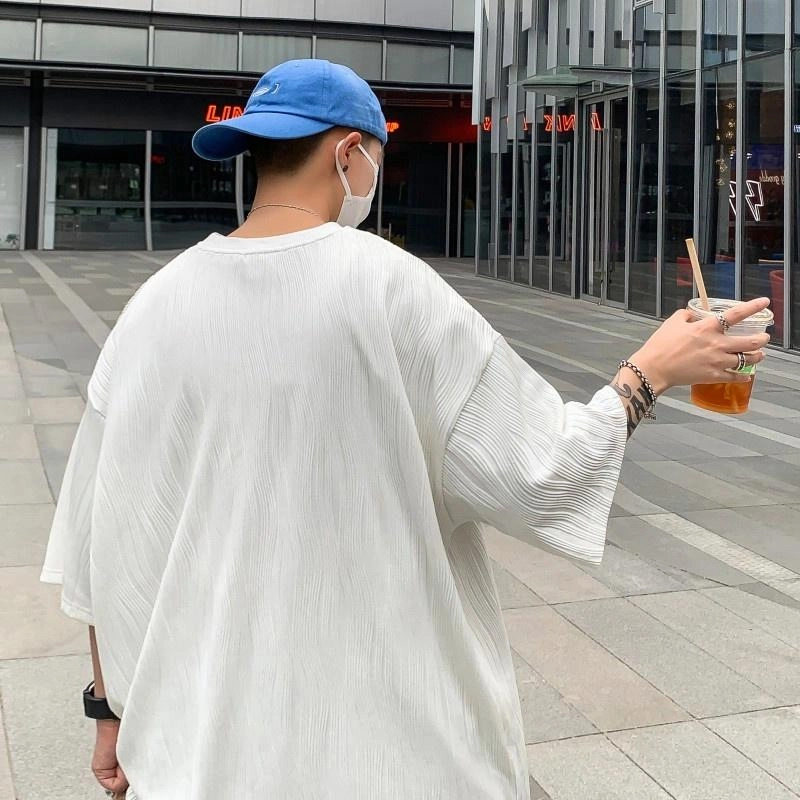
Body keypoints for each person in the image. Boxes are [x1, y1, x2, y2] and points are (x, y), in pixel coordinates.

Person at [41, 59, 770, 800]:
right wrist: (649, 372)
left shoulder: (153, 306)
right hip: (383, 754)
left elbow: (95, 543)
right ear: (348, 153)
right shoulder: (388, 284)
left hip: (193, 753)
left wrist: (108, 711)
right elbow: (543, 472)